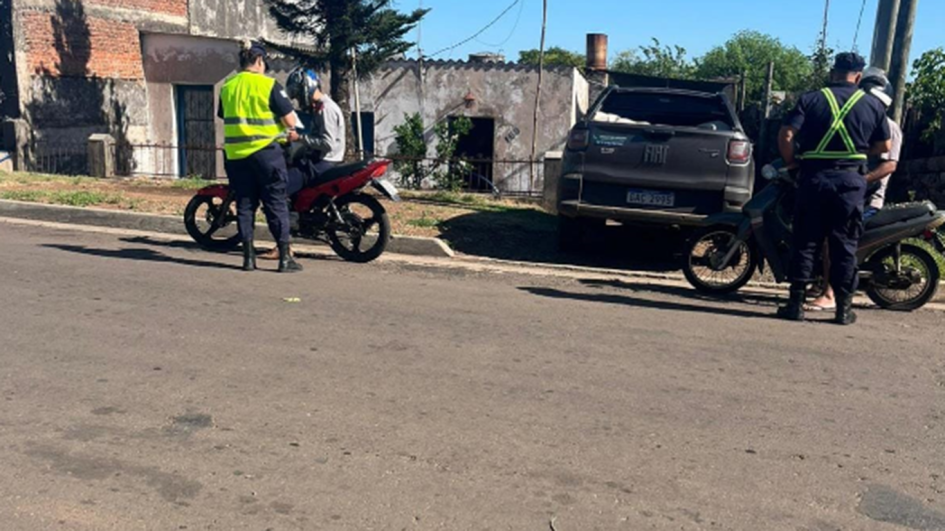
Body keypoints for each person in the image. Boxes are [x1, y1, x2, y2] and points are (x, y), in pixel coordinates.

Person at [776, 52, 891, 325]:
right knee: (844, 246)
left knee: (805, 242)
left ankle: (795, 305)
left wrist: (792, 163)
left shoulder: (811, 99)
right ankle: (843, 310)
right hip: (849, 184)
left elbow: (786, 134)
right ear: (859, 77)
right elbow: (885, 147)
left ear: (832, 73)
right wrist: (858, 152)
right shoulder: (872, 105)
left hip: (813, 179)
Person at [806, 68, 902, 312]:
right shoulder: (860, 118)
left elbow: (889, 165)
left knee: (834, 241)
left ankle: (830, 294)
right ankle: (821, 283)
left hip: (867, 199)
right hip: (848, 192)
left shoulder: (888, 127)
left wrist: (861, 180)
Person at [218, 40, 303, 273]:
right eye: (264, 61)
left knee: (245, 204)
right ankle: (285, 258)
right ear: (258, 60)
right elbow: (290, 121)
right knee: (275, 202)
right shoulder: (269, 85)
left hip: (236, 156)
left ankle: (248, 258)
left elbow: (224, 116)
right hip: (266, 154)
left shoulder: (228, 86)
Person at [256, 67, 348, 261]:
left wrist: (299, 138)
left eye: (298, 94)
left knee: (278, 191)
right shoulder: (321, 106)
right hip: (323, 160)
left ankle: (284, 247)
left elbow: (327, 143)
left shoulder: (325, 108)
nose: (298, 99)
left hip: (323, 162)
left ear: (306, 87)